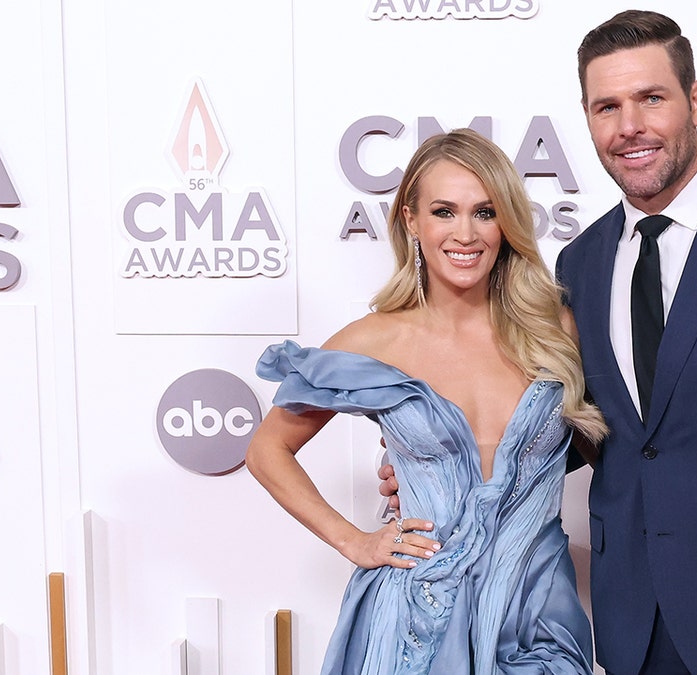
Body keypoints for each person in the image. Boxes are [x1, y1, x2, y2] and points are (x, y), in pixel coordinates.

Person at [384, 10, 697, 675]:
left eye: (651, 98)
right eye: (607, 106)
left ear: (696, 101)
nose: (630, 126)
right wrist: (451, 458)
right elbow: (592, 428)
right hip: (630, 620)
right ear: (589, 118)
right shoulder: (582, 262)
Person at [246, 128, 607, 674]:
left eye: (485, 212)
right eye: (444, 211)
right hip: (416, 617)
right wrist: (355, 541)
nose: (466, 233)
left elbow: (616, 442)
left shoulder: (555, 329)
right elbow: (267, 449)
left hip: (537, 613)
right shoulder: (375, 341)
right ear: (411, 221)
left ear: (507, 222)